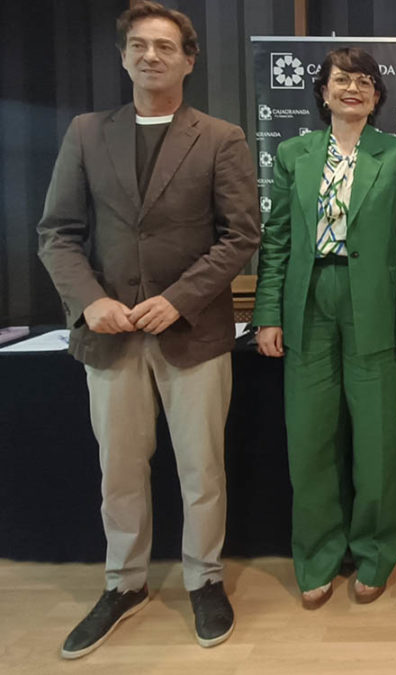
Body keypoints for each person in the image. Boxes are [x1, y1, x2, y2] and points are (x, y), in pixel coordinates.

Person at [36, 1, 260, 658]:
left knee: (201, 468)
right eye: (139, 45)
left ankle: (205, 576)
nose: (151, 55)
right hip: (110, 334)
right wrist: (90, 300)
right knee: (120, 469)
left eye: (165, 46)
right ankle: (124, 582)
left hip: (191, 332)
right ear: (124, 55)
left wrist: (180, 297)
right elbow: (57, 234)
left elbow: (241, 233)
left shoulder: (221, 138)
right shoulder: (85, 133)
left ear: (189, 59)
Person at [252, 47, 396, 611]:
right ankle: (318, 556)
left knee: (378, 441)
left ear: (378, 97)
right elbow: (276, 238)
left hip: (374, 305)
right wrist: (268, 313)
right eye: (341, 80)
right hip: (307, 302)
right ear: (323, 92)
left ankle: (375, 552)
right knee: (310, 439)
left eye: (365, 81)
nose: (353, 88)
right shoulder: (293, 154)